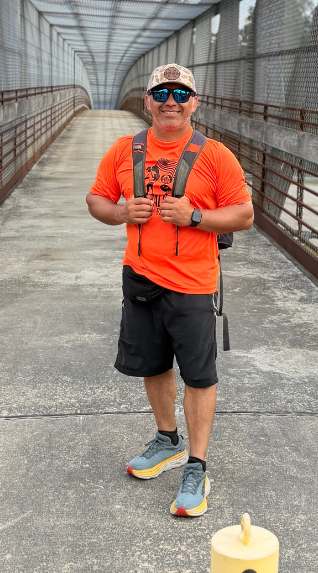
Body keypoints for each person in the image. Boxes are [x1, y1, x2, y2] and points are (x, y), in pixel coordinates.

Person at [86, 64, 254, 516]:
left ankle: (197, 465)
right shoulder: (125, 150)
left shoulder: (216, 155)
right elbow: (96, 199)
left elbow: (243, 214)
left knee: (199, 375)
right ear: (148, 101)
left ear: (195, 102)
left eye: (181, 93)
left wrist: (196, 217)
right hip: (140, 278)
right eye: (161, 92)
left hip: (193, 285)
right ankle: (168, 440)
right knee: (152, 364)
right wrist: (122, 213)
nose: (171, 101)